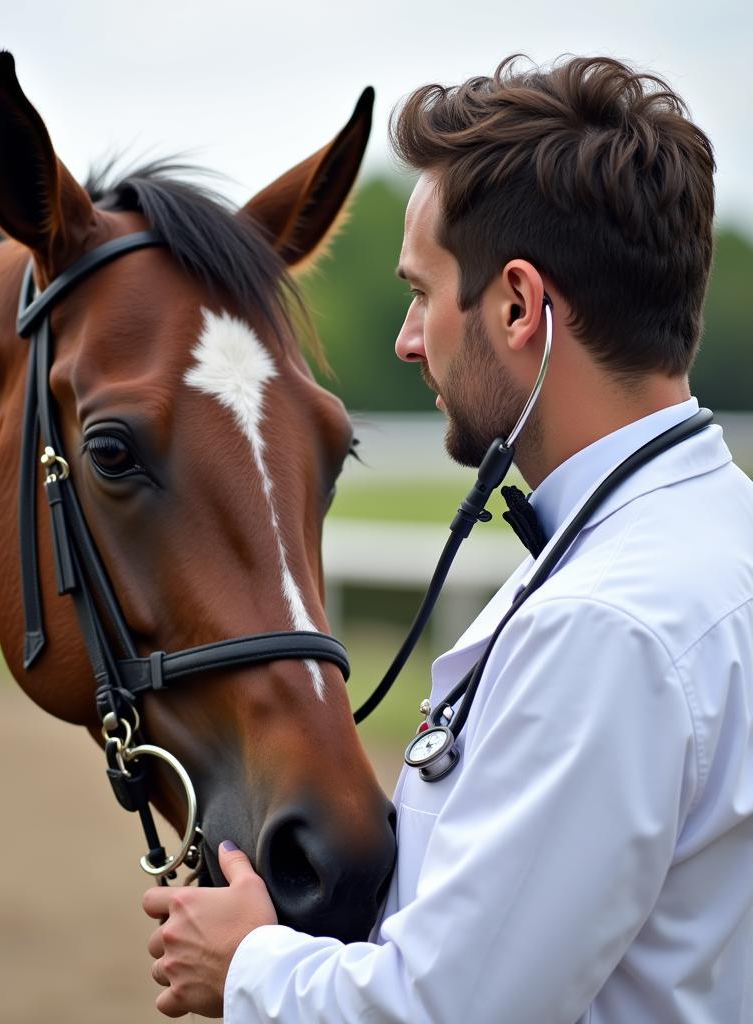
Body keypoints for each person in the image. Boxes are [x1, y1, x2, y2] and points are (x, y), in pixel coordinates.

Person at [142, 54, 753, 1022]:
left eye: (420, 292)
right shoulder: (712, 542)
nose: (406, 339)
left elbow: (451, 1008)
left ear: (517, 307)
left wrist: (246, 965)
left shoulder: (606, 627)